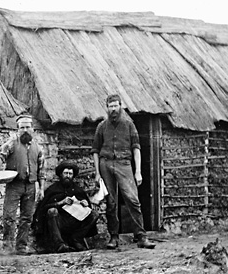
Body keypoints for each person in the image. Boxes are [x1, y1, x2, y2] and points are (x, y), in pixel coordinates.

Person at [92, 94, 155, 249]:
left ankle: (141, 236)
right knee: (111, 202)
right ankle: (114, 237)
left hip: (124, 164)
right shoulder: (101, 127)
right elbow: (95, 150)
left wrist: (138, 171)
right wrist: (97, 173)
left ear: (121, 106)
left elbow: (136, 149)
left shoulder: (129, 125)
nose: (113, 109)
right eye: (110, 106)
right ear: (106, 108)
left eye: (115, 105)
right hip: (105, 164)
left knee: (132, 199)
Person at [0, 114, 45, 255]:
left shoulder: (38, 148)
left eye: (27, 127)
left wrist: (41, 188)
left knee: (26, 218)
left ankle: (21, 248)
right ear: (17, 129)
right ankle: (7, 248)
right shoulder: (11, 144)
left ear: (33, 129)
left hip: (30, 186)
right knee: (9, 217)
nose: (25, 130)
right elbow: (1, 158)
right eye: (22, 127)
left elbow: (42, 170)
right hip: (14, 185)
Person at [32, 161, 99, 253]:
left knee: (94, 214)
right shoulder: (53, 189)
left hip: (75, 221)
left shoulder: (77, 190)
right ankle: (59, 245)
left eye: (70, 174)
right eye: (65, 173)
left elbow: (87, 206)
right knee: (52, 211)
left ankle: (76, 239)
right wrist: (60, 203)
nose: (68, 176)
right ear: (61, 174)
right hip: (59, 222)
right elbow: (43, 209)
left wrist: (85, 204)